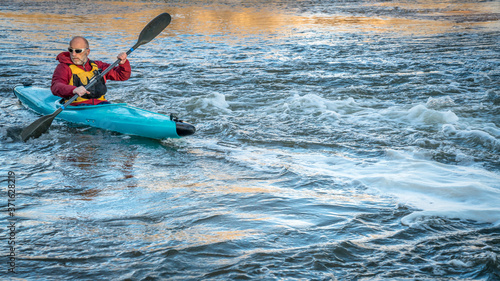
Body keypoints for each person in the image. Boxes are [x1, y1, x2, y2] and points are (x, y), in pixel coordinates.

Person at [51, 36, 131, 106]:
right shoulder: (64, 67)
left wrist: (123, 63)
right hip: (77, 107)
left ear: (87, 52)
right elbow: (56, 86)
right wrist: (73, 89)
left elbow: (122, 76)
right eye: (71, 50)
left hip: (102, 105)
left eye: (78, 51)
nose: (73, 54)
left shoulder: (98, 66)